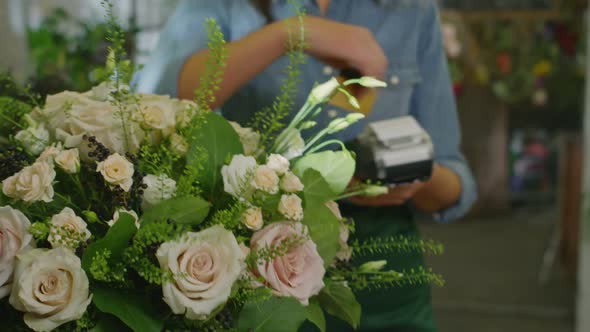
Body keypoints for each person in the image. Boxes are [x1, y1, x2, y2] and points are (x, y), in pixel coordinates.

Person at [135, 1, 477, 331]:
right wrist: (291, 34)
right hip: (260, 268)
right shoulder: (226, 6)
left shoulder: (412, 9)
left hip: (386, 275)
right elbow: (157, 104)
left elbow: (452, 180)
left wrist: (414, 175)